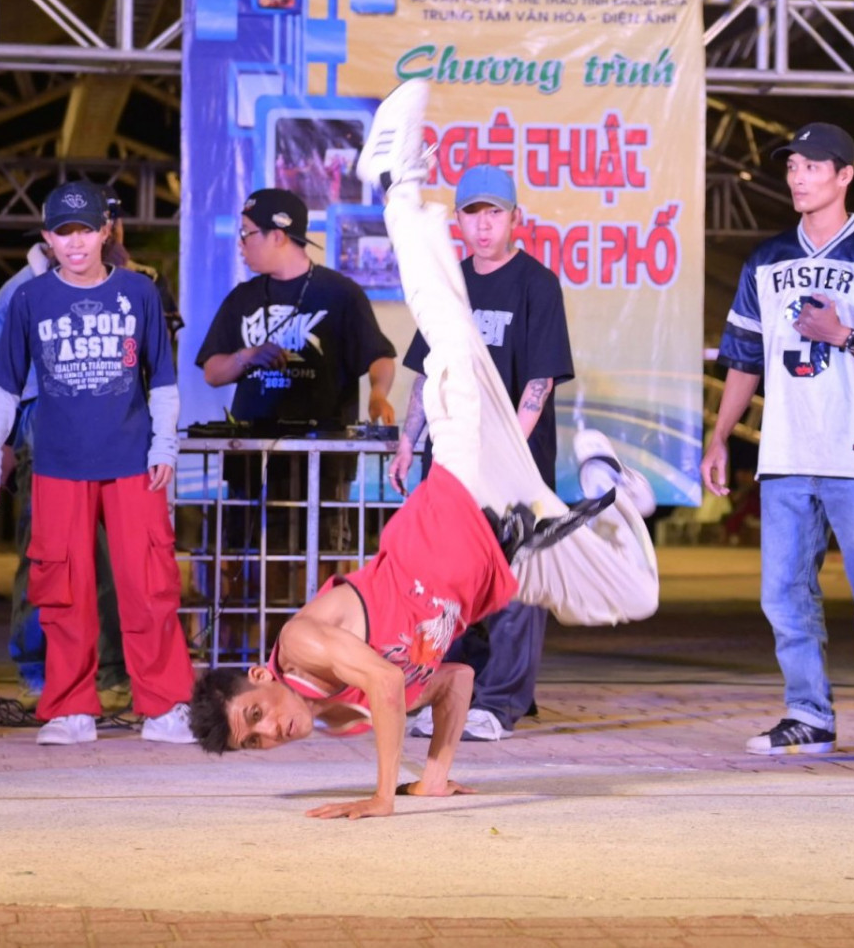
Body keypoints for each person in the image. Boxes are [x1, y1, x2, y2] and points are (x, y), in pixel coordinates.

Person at [186, 79, 660, 819]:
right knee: (632, 595)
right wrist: (433, 771)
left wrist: (384, 795)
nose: (272, 731)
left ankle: (397, 180)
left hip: (464, 489)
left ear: (258, 675)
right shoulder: (338, 710)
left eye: (254, 715)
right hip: (510, 537)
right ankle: (609, 482)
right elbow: (454, 681)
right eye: (258, 743)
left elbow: (382, 685)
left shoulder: (305, 643)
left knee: (453, 333)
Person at [701, 121, 854, 762]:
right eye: (792, 167)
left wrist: (846, 336)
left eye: (812, 166)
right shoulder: (766, 260)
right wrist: (720, 436)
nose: (799, 177)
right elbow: (744, 357)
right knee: (783, 592)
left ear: (844, 176)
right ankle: (808, 714)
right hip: (784, 453)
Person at [0, 180, 196, 746]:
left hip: (131, 464)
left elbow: (163, 381)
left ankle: (165, 706)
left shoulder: (140, 294)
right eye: (62, 233)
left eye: (85, 231)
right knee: (62, 588)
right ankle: (71, 708)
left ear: (105, 232)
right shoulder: (28, 299)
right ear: (48, 238)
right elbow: (1, 388)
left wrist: (163, 447)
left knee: (148, 585)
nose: (75, 244)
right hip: (56, 465)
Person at [390, 163, 573, 741]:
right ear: (460, 224)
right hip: (450, 467)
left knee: (517, 589)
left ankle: (499, 702)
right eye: (473, 213)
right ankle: (447, 693)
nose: (484, 224)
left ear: (516, 219)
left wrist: (502, 457)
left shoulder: (536, 285)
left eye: (495, 212)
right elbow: (427, 372)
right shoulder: (451, 286)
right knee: (449, 585)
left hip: (513, 470)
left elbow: (537, 386)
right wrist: (406, 440)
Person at [197, 186, 396, 426]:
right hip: (250, 450)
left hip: (323, 449)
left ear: (278, 236)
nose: (240, 243)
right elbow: (212, 372)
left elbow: (379, 356)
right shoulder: (242, 297)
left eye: (246, 232)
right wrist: (248, 355)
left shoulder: (340, 293)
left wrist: (378, 395)